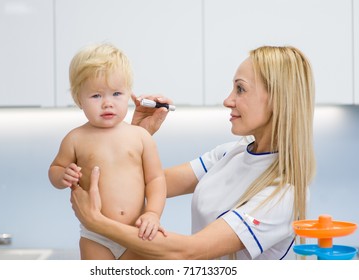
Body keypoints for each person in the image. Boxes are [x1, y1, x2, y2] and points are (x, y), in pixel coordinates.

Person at [70, 45, 316, 260]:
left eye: (240, 89)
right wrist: (134, 137)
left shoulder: (284, 192)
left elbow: (189, 251)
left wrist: (96, 223)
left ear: (276, 99)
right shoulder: (229, 154)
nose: (227, 100)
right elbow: (144, 186)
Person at [48, 43, 167, 260]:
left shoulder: (140, 136)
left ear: (129, 95)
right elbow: (55, 169)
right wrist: (62, 175)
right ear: (78, 99)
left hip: (136, 232)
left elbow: (156, 179)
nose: (107, 103)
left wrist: (153, 213)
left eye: (116, 93)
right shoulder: (75, 138)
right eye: (96, 96)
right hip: (95, 236)